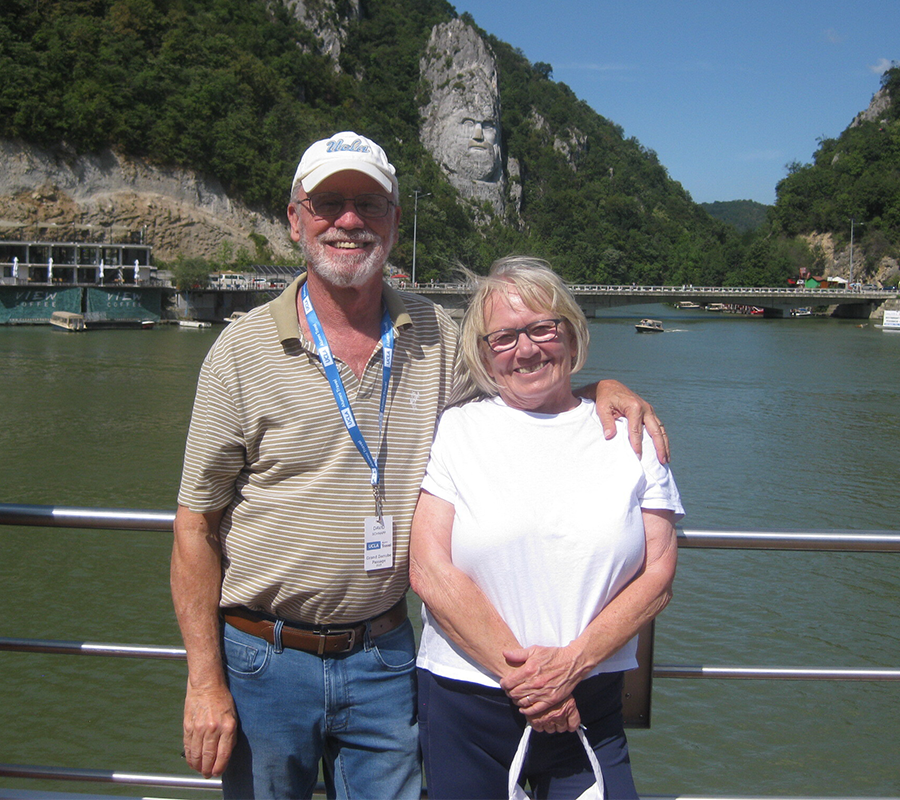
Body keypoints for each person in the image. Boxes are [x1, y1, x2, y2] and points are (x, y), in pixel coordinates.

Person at [171, 131, 667, 800]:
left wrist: (601, 390)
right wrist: (204, 681)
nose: (349, 221)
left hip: (384, 656)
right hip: (266, 659)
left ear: (394, 222)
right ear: (295, 219)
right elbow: (194, 527)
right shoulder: (240, 352)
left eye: (369, 204)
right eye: (328, 203)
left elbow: (523, 372)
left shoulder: (436, 336)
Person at [410, 256, 684, 800]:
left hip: (589, 702)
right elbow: (428, 568)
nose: (527, 349)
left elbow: (659, 574)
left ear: (572, 332)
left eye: (542, 328)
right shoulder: (458, 428)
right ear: (485, 353)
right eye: (505, 336)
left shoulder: (631, 433)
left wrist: (572, 665)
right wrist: (536, 684)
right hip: (467, 702)